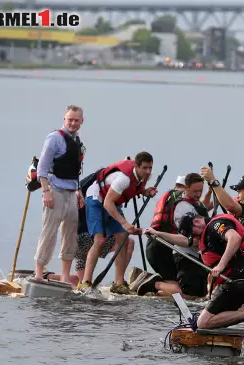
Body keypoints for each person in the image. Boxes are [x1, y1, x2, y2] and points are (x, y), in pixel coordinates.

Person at [146, 212, 244, 329]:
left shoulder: (216, 225)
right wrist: (158, 234)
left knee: (203, 322)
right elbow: (184, 241)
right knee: (229, 318)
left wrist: (220, 265)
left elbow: (235, 238)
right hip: (243, 278)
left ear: (197, 221)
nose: (194, 238)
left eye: (193, 234)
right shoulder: (205, 233)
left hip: (237, 279)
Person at [77, 152, 157, 294]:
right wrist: (125, 223)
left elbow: (133, 190)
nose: (148, 172)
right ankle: (85, 282)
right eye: (145, 168)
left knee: (123, 240)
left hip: (112, 202)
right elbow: (108, 203)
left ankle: (119, 283)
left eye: (150, 168)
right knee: (100, 240)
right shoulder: (123, 179)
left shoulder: (141, 177)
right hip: (96, 200)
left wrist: (145, 192)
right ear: (136, 166)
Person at [33, 105, 85, 283]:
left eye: (76, 120)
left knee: (70, 236)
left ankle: (64, 277)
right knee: (49, 232)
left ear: (81, 122)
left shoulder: (77, 140)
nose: (73, 123)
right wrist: (46, 192)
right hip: (55, 191)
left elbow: (75, 171)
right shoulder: (54, 138)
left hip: (71, 192)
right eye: (70, 119)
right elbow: (42, 169)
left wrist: (78, 191)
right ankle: (39, 273)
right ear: (64, 120)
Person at [143, 173, 212, 299]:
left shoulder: (194, 204)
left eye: (200, 191)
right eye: (195, 191)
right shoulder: (183, 208)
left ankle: (153, 291)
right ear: (186, 188)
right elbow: (186, 239)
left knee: (200, 295)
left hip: (195, 255)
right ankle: (155, 283)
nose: (198, 194)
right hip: (185, 255)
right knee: (189, 295)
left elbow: (204, 208)